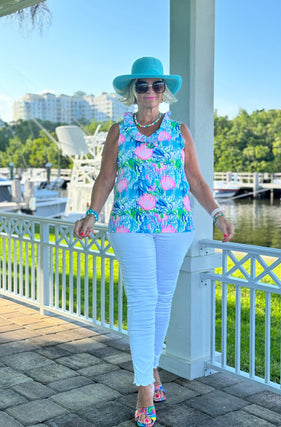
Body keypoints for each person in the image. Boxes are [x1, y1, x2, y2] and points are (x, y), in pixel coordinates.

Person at [74, 57, 234, 427]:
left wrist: (216, 214)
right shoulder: (119, 130)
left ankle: (152, 368)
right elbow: (105, 178)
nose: (150, 92)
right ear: (133, 91)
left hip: (175, 225)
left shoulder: (179, 130)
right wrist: (91, 214)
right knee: (144, 301)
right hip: (129, 225)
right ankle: (144, 385)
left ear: (165, 92)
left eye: (156, 85)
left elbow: (194, 179)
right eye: (143, 86)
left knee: (162, 300)